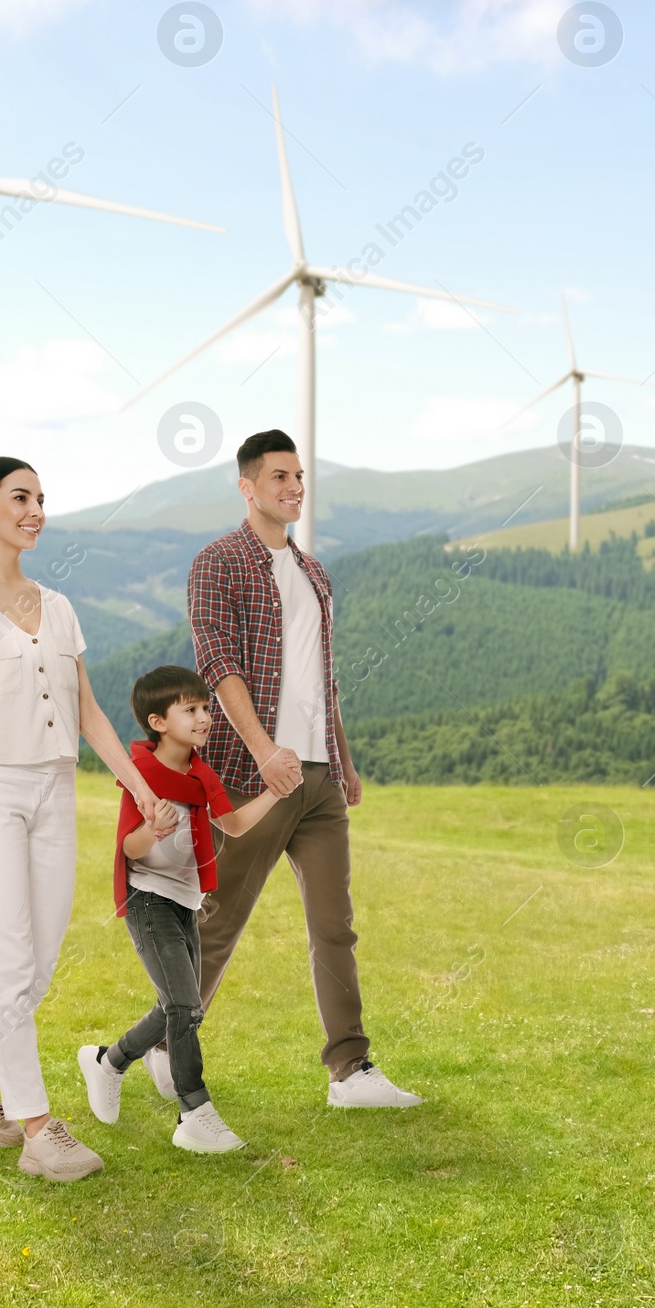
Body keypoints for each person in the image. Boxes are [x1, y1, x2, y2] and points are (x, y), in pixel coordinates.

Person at [0, 456, 172, 1183]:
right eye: (19, 497)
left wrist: (140, 783)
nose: (35, 510)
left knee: (38, 967)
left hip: (54, 792)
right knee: (8, 965)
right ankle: (38, 1129)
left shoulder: (57, 605)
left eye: (40, 498)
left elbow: (87, 710)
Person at [169, 428, 421, 1108]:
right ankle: (167, 1047)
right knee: (219, 922)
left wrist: (344, 758)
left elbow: (322, 678)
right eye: (280, 477)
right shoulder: (217, 562)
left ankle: (350, 1069)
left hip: (319, 779)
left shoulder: (315, 573)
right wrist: (263, 751)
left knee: (334, 924)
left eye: (300, 477)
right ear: (248, 487)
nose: (295, 488)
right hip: (257, 776)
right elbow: (218, 663)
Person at [76, 666, 280, 1153]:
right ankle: (195, 1112)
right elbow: (130, 846)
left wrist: (277, 793)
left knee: (177, 1004)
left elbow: (230, 825)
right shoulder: (141, 775)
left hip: (188, 903)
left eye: (206, 708)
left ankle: (109, 1060)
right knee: (187, 1006)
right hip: (149, 900)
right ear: (158, 721)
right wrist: (156, 829)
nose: (205, 717)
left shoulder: (202, 774)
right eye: (190, 710)